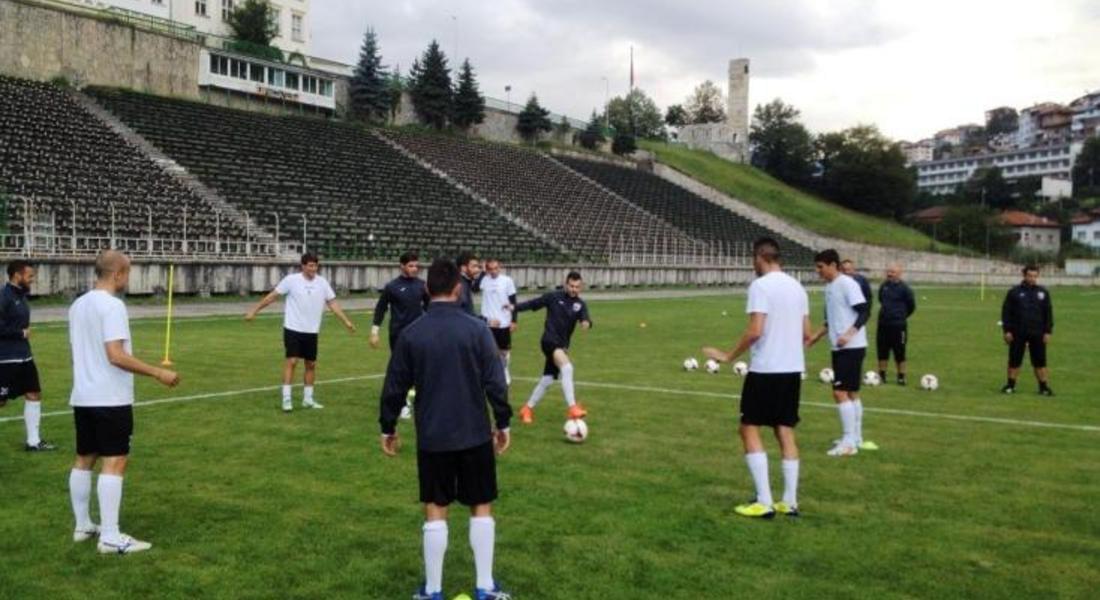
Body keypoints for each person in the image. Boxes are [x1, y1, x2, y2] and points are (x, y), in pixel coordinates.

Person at [379, 258, 513, 600]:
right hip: (474, 433)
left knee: (436, 506)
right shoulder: (478, 329)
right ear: (458, 289)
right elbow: (496, 382)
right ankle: (484, 587)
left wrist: (388, 427)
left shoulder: (412, 333)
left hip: (433, 436)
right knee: (480, 504)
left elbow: (394, 386)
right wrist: (503, 422)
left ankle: (434, 591)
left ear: (427, 289)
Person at [68, 250, 180, 554]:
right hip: (110, 397)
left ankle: (82, 526)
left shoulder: (78, 305)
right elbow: (115, 355)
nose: (127, 279)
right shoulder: (113, 306)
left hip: (84, 395)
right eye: (127, 274)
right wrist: (158, 372)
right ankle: (110, 536)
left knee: (84, 458)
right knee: (115, 461)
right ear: (117, 274)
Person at [703, 238, 810, 519]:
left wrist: (729, 356)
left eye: (753, 259)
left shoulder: (760, 286)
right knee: (784, 430)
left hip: (766, 370)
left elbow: (755, 331)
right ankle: (789, 501)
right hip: (792, 370)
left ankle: (764, 501)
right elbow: (806, 333)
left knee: (748, 428)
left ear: (760, 257)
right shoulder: (798, 287)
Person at [245, 253, 356, 412]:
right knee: (292, 361)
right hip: (293, 328)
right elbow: (273, 296)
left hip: (312, 331)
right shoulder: (291, 280)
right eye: (310, 265)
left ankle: (308, 399)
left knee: (311, 364)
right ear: (302, 266)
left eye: (315, 266)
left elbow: (332, 303)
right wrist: (254, 310)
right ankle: (287, 399)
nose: (313, 269)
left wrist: (346, 321)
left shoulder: (322, 283)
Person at [807, 249, 876, 456]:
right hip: (840, 347)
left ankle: (848, 443)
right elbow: (832, 319)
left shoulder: (847, 284)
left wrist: (849, 334)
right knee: (852, 392)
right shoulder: (830, 287)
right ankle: (856, 437)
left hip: (851, 347)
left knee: (839, 392)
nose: (818, 271)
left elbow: (865, 310)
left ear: (833, 265)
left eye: (821, 267)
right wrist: (815, 337)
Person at [513, 271, 592, 424]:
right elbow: (532, 304)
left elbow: (586, 318)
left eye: (577, 287)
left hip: (561, 345)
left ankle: (527, 409)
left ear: (581, 287)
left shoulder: (580, 304)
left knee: (547, 379)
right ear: (565, 284)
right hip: (549, 341)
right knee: (567, 368)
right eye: (571, 286)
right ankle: (572, 407)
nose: (574, 289)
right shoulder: (553, 297)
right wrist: (514, 307)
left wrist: (586, 323)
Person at [0, 260, 54, 451]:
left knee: (33, 393)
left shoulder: (21, 296)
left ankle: (33, 442)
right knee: (2, 401)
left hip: (24, 356)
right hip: (6, 359)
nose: (32, 280)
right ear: (17, 275)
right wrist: (19, 333)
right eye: (29, 276)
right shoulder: (3, 296)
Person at [370, 252, 430, 419]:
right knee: (401, 370)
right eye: (411, 265)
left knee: (420, 367)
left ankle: (419, 400)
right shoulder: (392, 286)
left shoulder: (422, 285)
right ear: (402, 266)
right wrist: (374, 332)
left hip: (419, 334)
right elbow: (380, 309)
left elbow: (430, 307)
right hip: (398, 335)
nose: (415, 269)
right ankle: (402, 404)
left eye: (416, 266)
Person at [1001, 265, 1054, 396]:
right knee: (1014, 361)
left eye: (1035, 276)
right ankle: (1010, 386)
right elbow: (1006, 313)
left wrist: (1047, 331)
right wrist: (1007, 331)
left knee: (1040, 361)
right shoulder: (1014, 292)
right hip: (1018, 332)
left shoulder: (1043, 293)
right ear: (1024, 275)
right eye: (1030, 276)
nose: (1032, 278)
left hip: (1038, 333)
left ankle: (1043, 388)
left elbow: (1048, 313)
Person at [480, 259, 518, 386]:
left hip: (503, 322)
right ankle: (489, 374)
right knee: (487, 350)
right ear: (487, 269)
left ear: (500, 267)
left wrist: (514, 320)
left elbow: (513, 301)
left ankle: (505, 371)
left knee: (504, 351)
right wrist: (482, 272)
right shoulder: (484, 280)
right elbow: (474, 288)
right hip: (488, 323)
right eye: (490, 268)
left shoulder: (507, 281)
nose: (494, 271)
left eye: (496, 268)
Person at [876, 263, 916, 385]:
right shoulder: (884, 286)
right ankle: (882, 376)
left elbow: (911, 306)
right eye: (888, 271)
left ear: (899, 273)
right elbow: (881, 299)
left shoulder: (905, 289)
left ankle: (901, 377)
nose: (889, 274)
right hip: (883, 324)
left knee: (900, 351)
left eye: (892, 272)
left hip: (899, 326)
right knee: (882, 351)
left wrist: (901, 316)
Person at [456, 251, 484, 317]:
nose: (477, 270)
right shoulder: (461, 284)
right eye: (474, 266)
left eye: (478, 267)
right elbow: (465, 313)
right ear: (463, 268)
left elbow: (475, 288)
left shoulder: (466, 280)